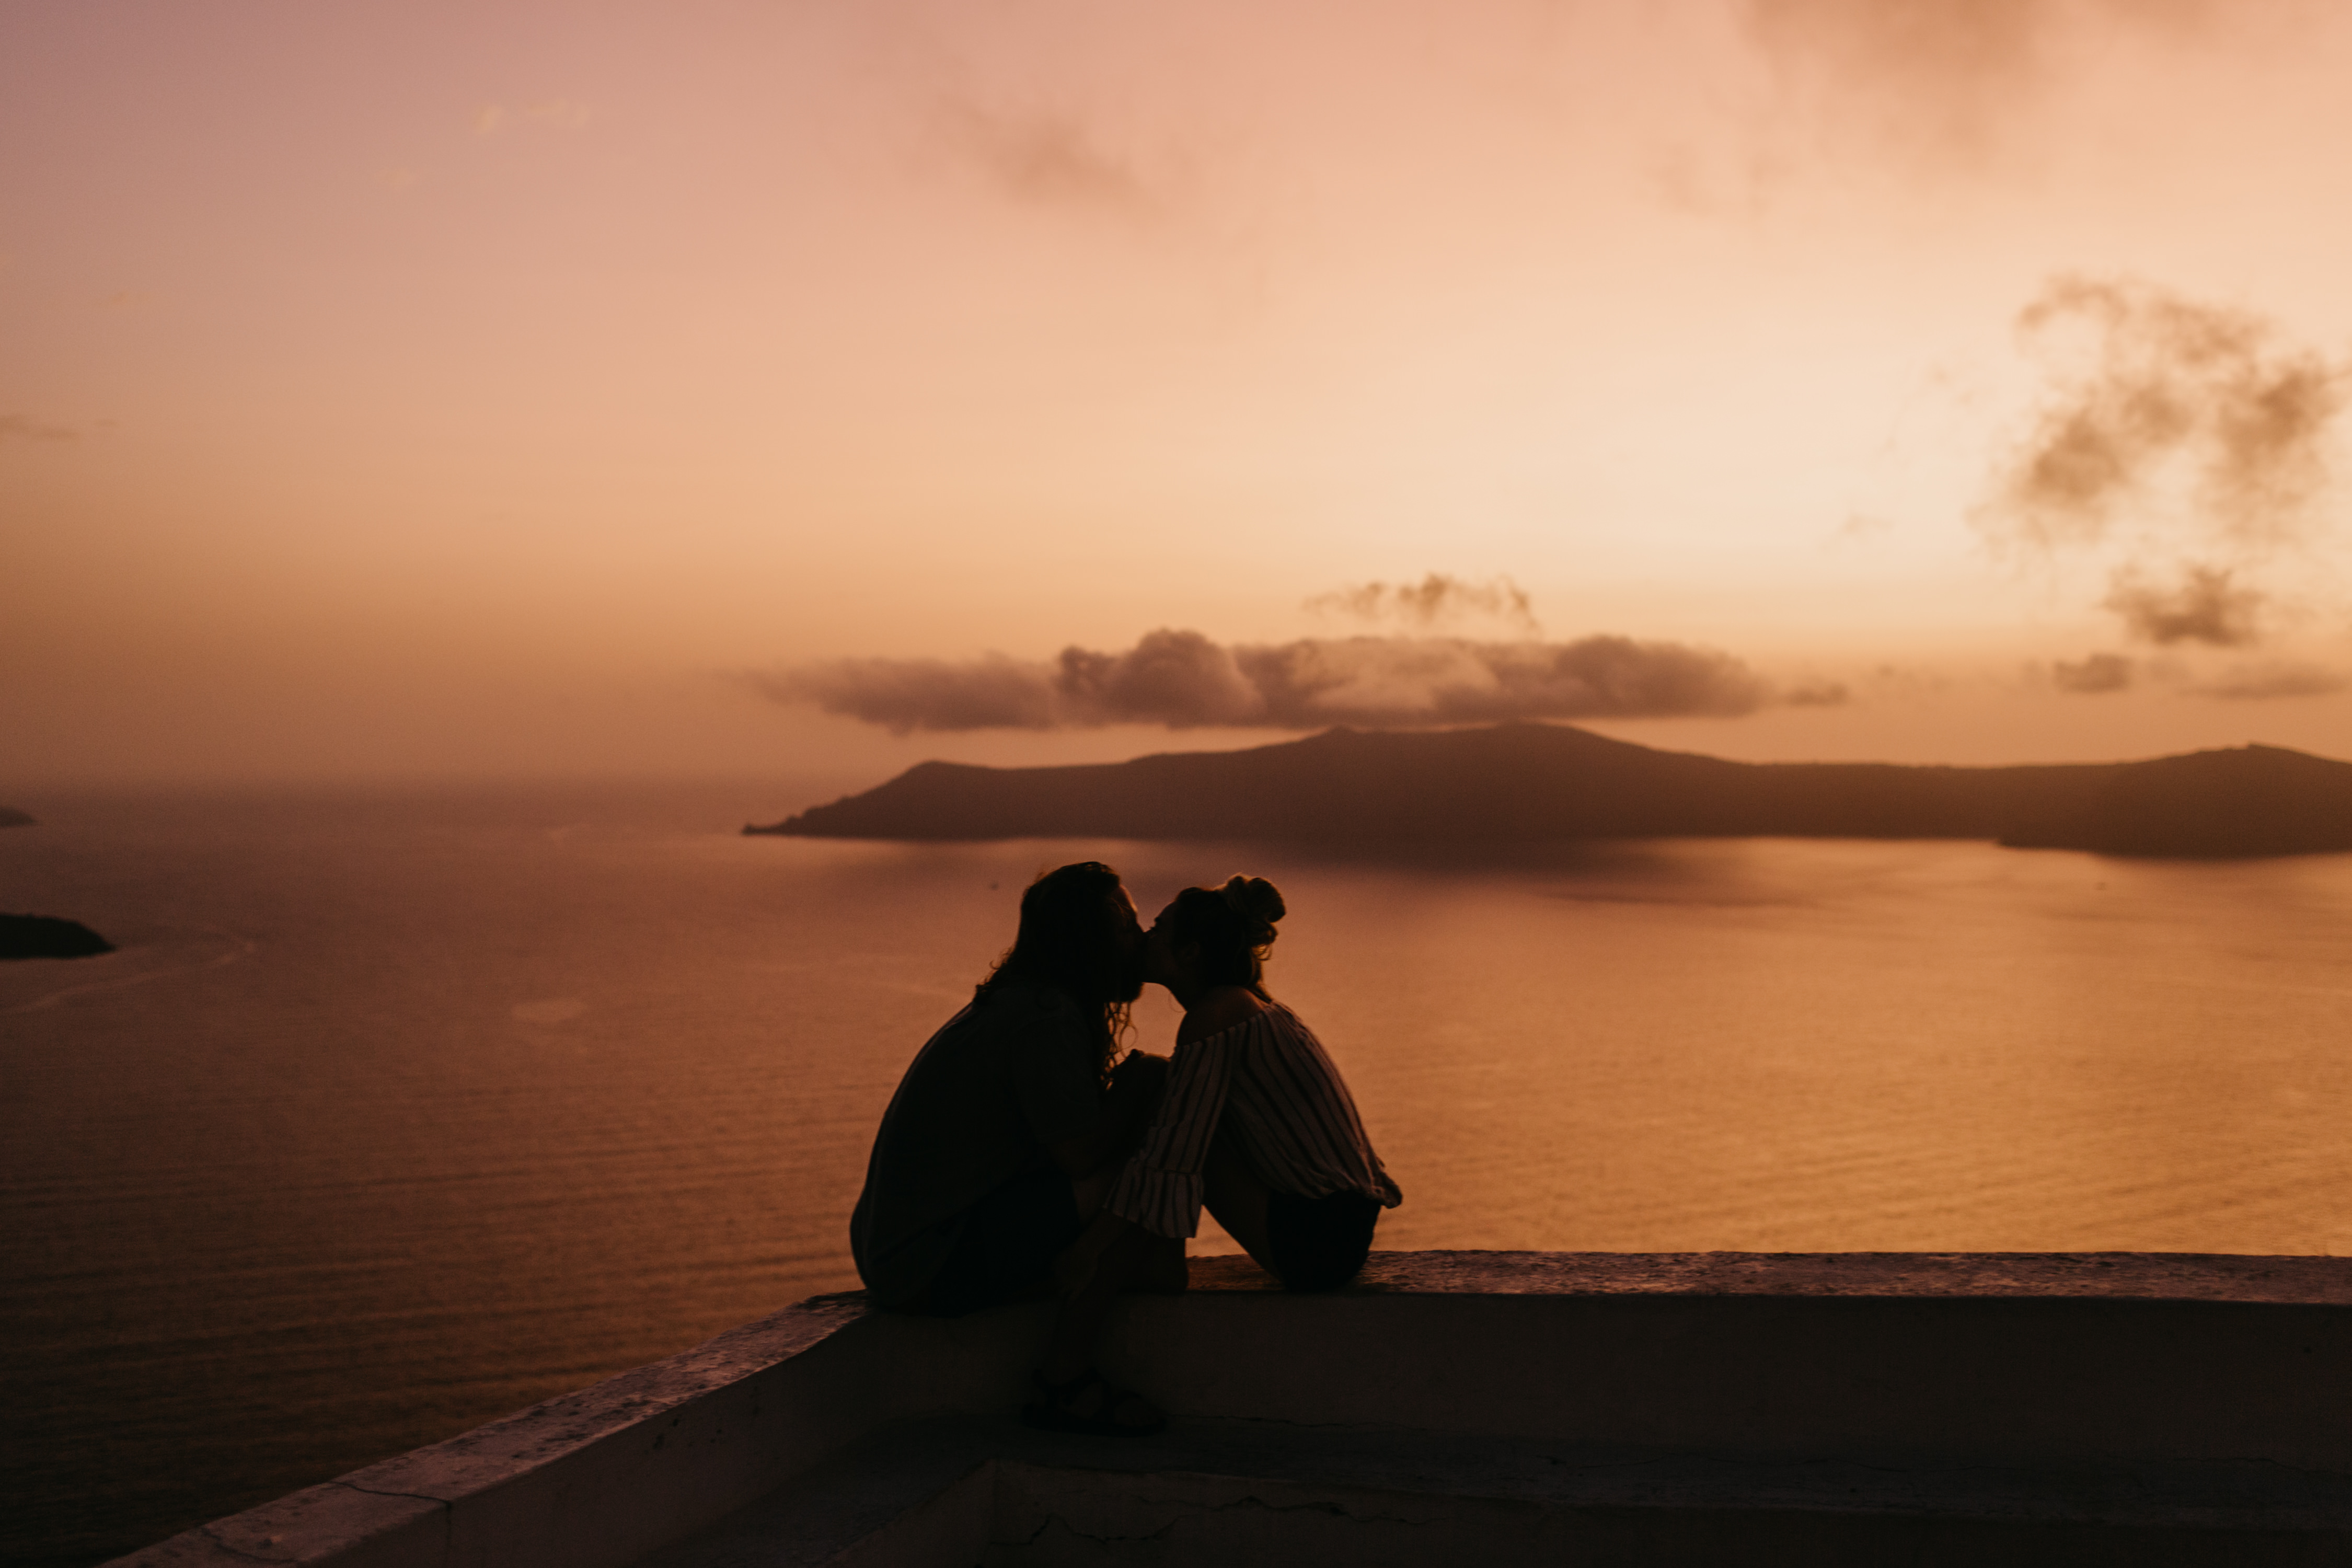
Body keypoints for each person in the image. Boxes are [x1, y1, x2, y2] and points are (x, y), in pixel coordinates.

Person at [1034, 875, 1401, 1432]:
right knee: (1164, 1100)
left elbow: (1172, 1159)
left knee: (1160, 1115)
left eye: (1157, 930)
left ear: (1189, 953)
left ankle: (1063, 1366)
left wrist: (1091, 1246)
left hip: (1316, 1242)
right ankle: (1151, 1266)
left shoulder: (1215, 1017)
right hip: (1338, 1230)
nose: (1143, 938)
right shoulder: (1248, 1007)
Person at [849, 862, 1170, 1323]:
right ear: (1090, 943)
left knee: (1152, 1132)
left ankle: (1134, 1269)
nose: (1141, 939)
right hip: (928, 1268)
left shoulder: (1025, 1002)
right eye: (1127, 927)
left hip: (902, 1259)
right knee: (1159, 1152)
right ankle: (1129, 1287)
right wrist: (1143, 1078)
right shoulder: (1046, 1018)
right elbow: (1079, 1156)